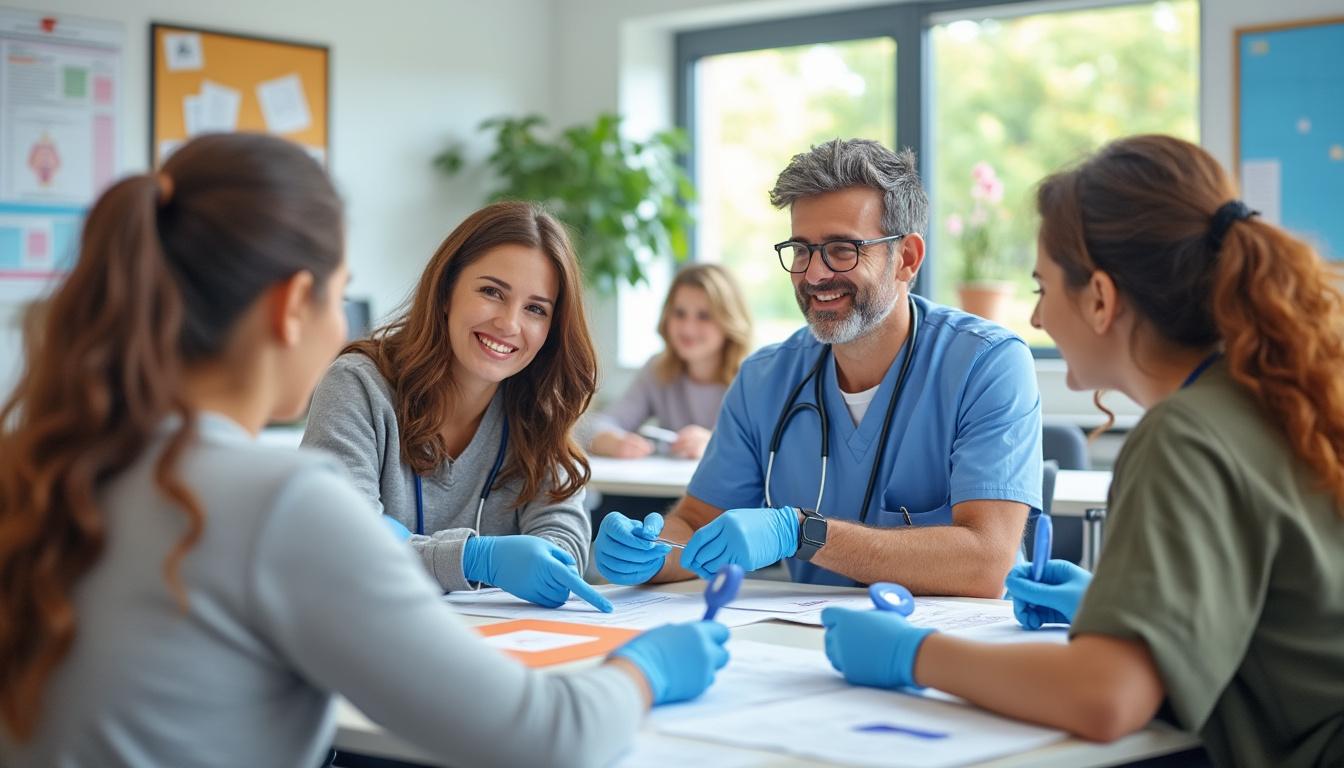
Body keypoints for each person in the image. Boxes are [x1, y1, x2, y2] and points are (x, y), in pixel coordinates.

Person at [0, 133, 731, 768]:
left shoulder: (42, 462)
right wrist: (646, 668)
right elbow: (548, 736)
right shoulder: (277, 501)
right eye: (340, 294)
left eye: (536, 307)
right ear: (293, 306)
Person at [820, 135, 1344, 767]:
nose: (1037, 320)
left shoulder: (1185, 437)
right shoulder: (1284, 398)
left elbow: (1106, 698)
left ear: (1099, 298)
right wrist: (1115, 602)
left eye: (1043, 288)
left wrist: (912, 654)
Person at [594, 138, 1042, 594]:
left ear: (906, 258)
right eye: (801, 249)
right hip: (803, 643)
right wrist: (648, 551)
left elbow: (988, 561)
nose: (813, 274)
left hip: (951, 646)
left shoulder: (986, 364)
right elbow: (694, 524)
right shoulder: (764, 380)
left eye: (842, 250)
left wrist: (802, 533)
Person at [303, 201, 607, 610]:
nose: (509, 324)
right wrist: (472, 559)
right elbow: (339, 542)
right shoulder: (358, 384)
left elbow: (561, 538)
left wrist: (568, 559)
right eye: (491, 292)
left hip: (496, 644)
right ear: (446, 292)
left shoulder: (541, 409)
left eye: (535, 309)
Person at [587, 263, 752, 461]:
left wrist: (715, 444)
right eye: (679, 313)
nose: (688, 328)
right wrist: (611, 441)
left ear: (729, 321)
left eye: (704, 316)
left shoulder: (751, 377)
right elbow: (601, 424)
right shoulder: (657, 369)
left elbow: (764, 449)